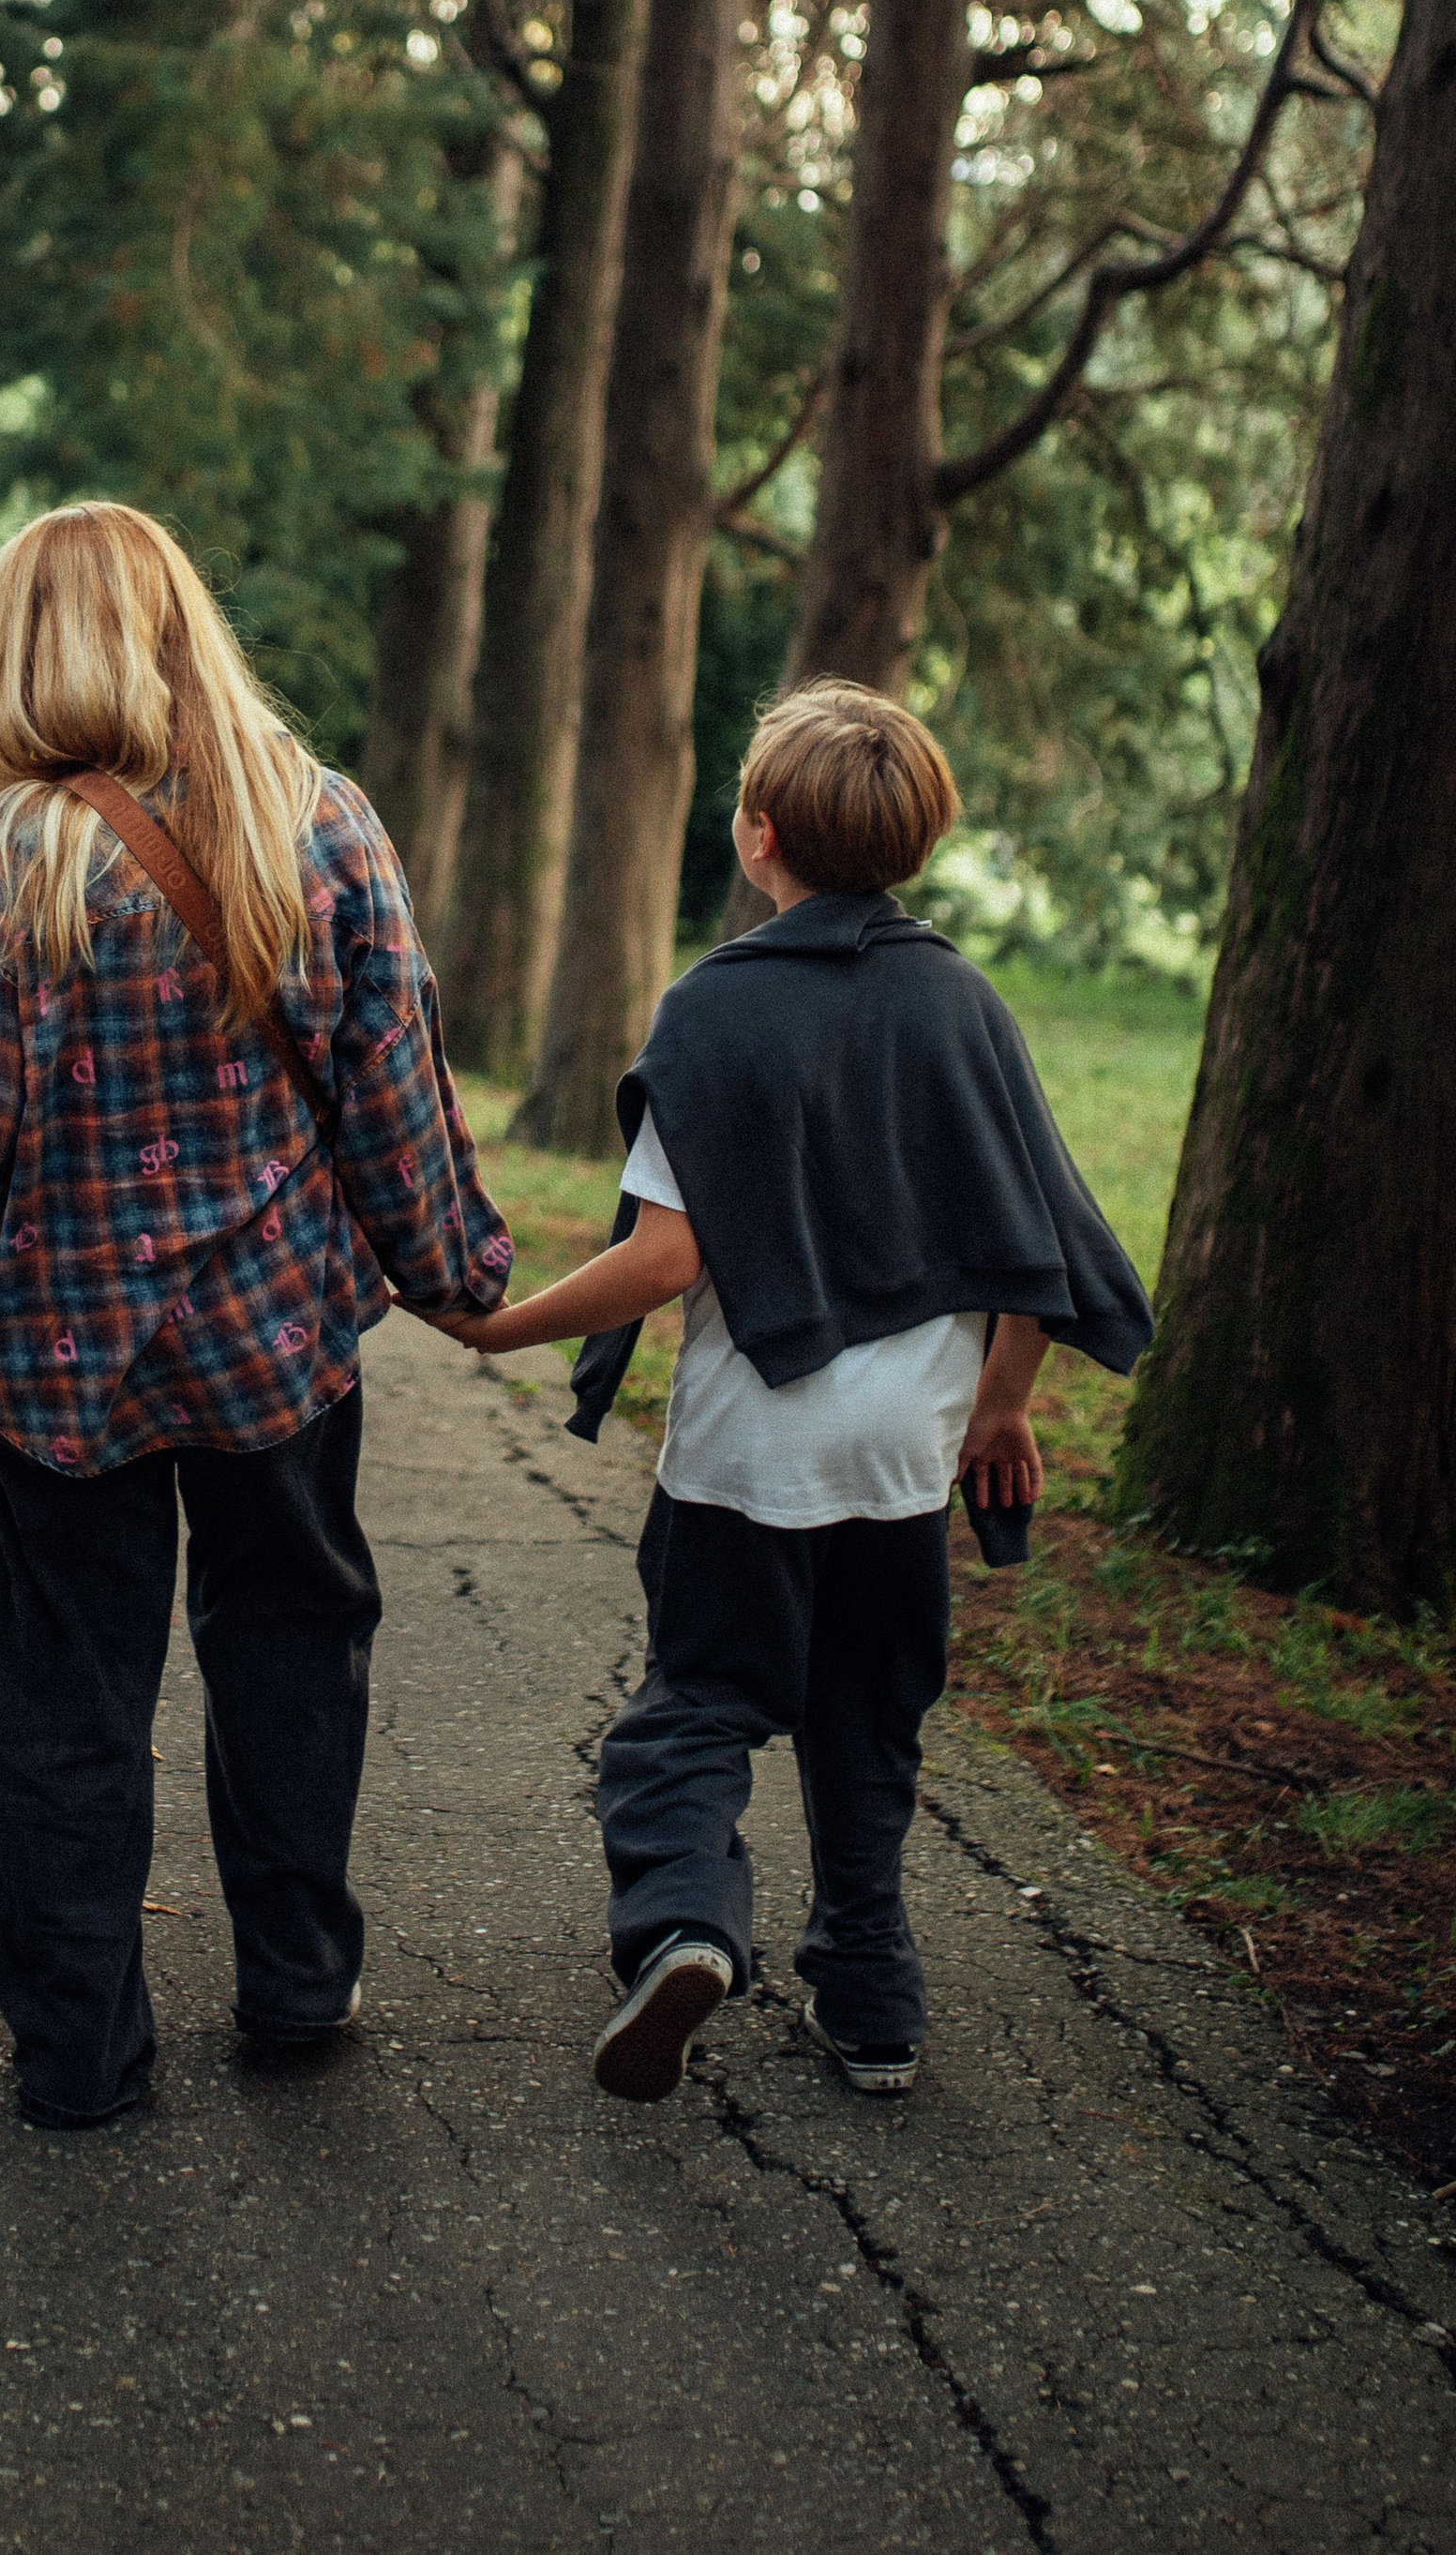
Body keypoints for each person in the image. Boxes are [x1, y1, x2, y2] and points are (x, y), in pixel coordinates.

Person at [0, 501, 514, 2129]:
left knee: (62, 1701)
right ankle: (296, 1987)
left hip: (60, 1362)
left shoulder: (17, 850)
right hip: (275, 1341)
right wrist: (454, 1267)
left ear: (17, 655)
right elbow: (390, 1083)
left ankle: (79, 2057)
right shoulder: (320, 821)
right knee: (292, 1652)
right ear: (183, 629)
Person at [438, 682, 1151, 2109]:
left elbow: (668, 1257)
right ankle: (874, 2000)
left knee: (698, 1704)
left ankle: (687, 1928)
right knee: (869, 1716)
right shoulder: (964, 1003)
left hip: (753, 1454)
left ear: (758, 836)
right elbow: (1042, 1249)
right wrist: (1001, 1408)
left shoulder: (716, 1009)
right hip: (906, 1460)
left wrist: (502, 1327)